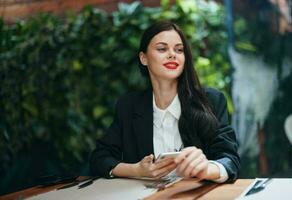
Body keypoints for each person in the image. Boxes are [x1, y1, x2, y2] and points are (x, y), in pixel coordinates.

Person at [90, 21, 240, 183]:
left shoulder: (211, 101)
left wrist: (207, 169)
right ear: (144, 58)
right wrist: (137, 170)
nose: (172, 54)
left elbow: (230, 159)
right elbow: (100, 158)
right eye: (162, 49)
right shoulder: (129, 106)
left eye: (179, 50)